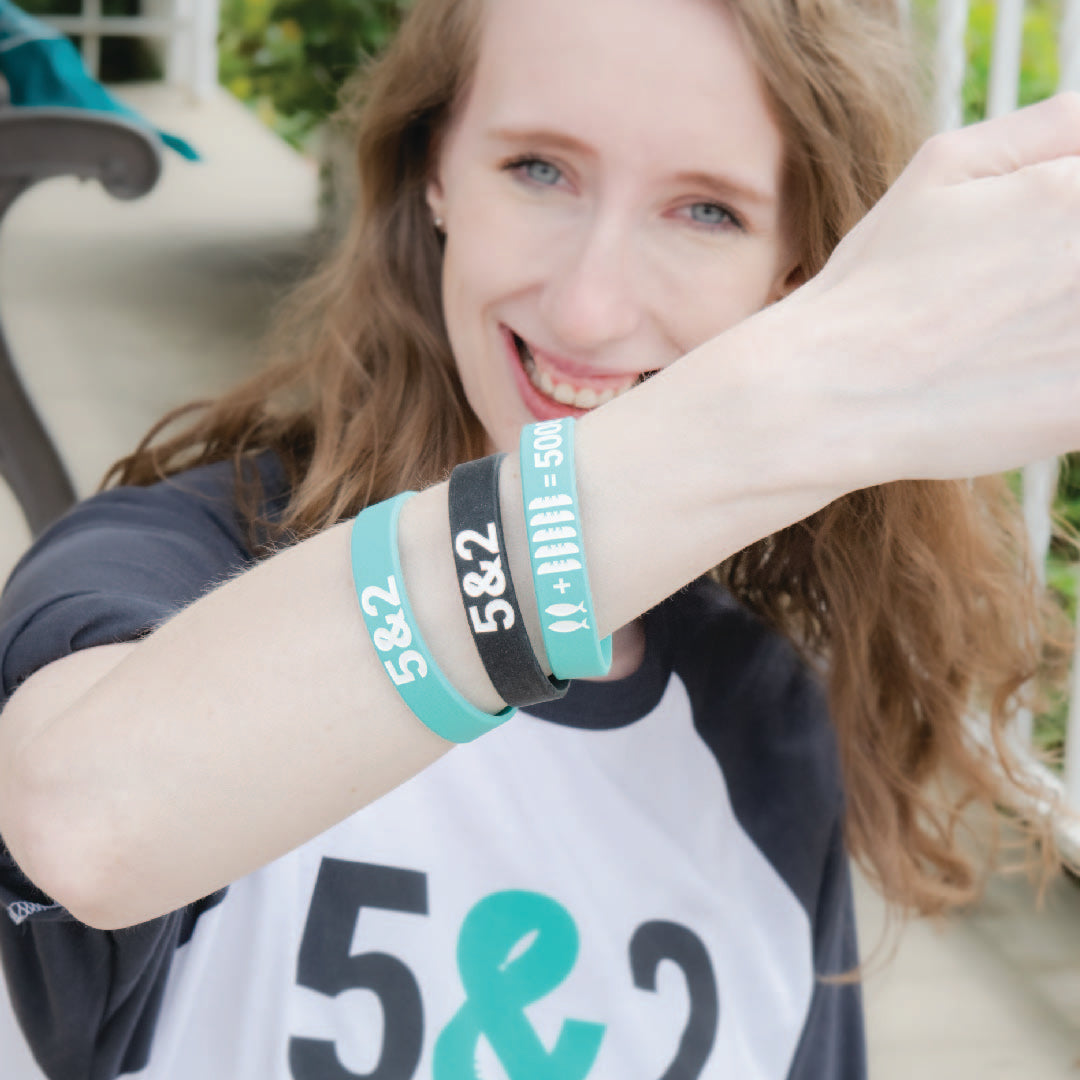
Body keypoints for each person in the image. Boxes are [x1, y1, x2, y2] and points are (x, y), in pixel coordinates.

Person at [0, 0, 1077, 1076]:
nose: (589, 309)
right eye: (538, 170)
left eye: (706, 211)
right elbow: (87, 824)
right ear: (435, 169)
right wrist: (796, 406)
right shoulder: (177, 573)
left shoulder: (766, 721)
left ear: (791, 277)